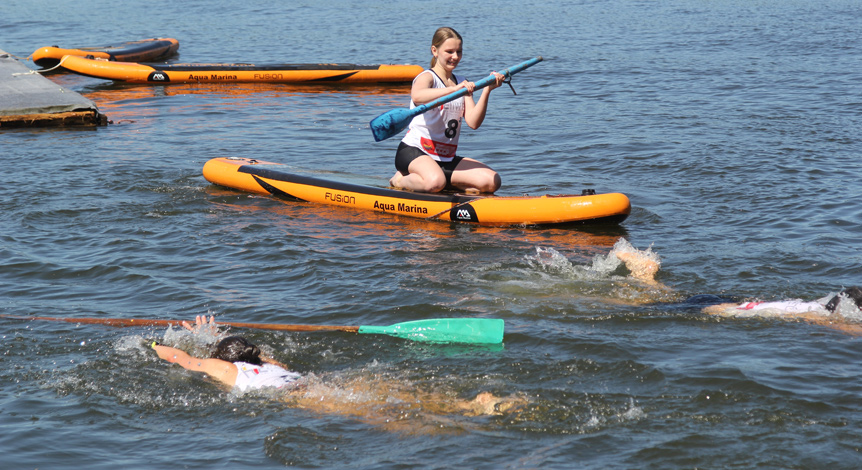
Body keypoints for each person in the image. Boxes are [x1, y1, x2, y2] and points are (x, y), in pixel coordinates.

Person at [151, 316, 524, 431]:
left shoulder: (226, 370)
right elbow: (248, 351)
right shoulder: (271, 364)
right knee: (391, 394)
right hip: (314, 381)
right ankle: (470, 403)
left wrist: (153, 345)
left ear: (224, 359)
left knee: (380, 416)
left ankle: (467, 418)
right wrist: (216, 336)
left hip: (303, 397)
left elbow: (184, 360)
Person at [608, 240, 862, 335]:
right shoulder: (818, 314)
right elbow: (848, 328)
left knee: (669, 297)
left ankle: (646, 274)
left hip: (730, 302)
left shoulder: (819, 305)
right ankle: (644, 275)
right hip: (719, 308)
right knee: (633, 306)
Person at [389, 27, 506, 194]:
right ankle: (400, 179)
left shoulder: (461, 82)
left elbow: (473, 122)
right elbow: (417, 96)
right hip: (414, 151)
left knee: (492, 181)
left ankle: (441, 182)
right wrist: (454, 90)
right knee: (434, 183)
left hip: (446, 158)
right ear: (434, 51)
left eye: (459, 51)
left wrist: (487, 90)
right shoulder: (427, 77)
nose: (455, 57)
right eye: (449, 51)